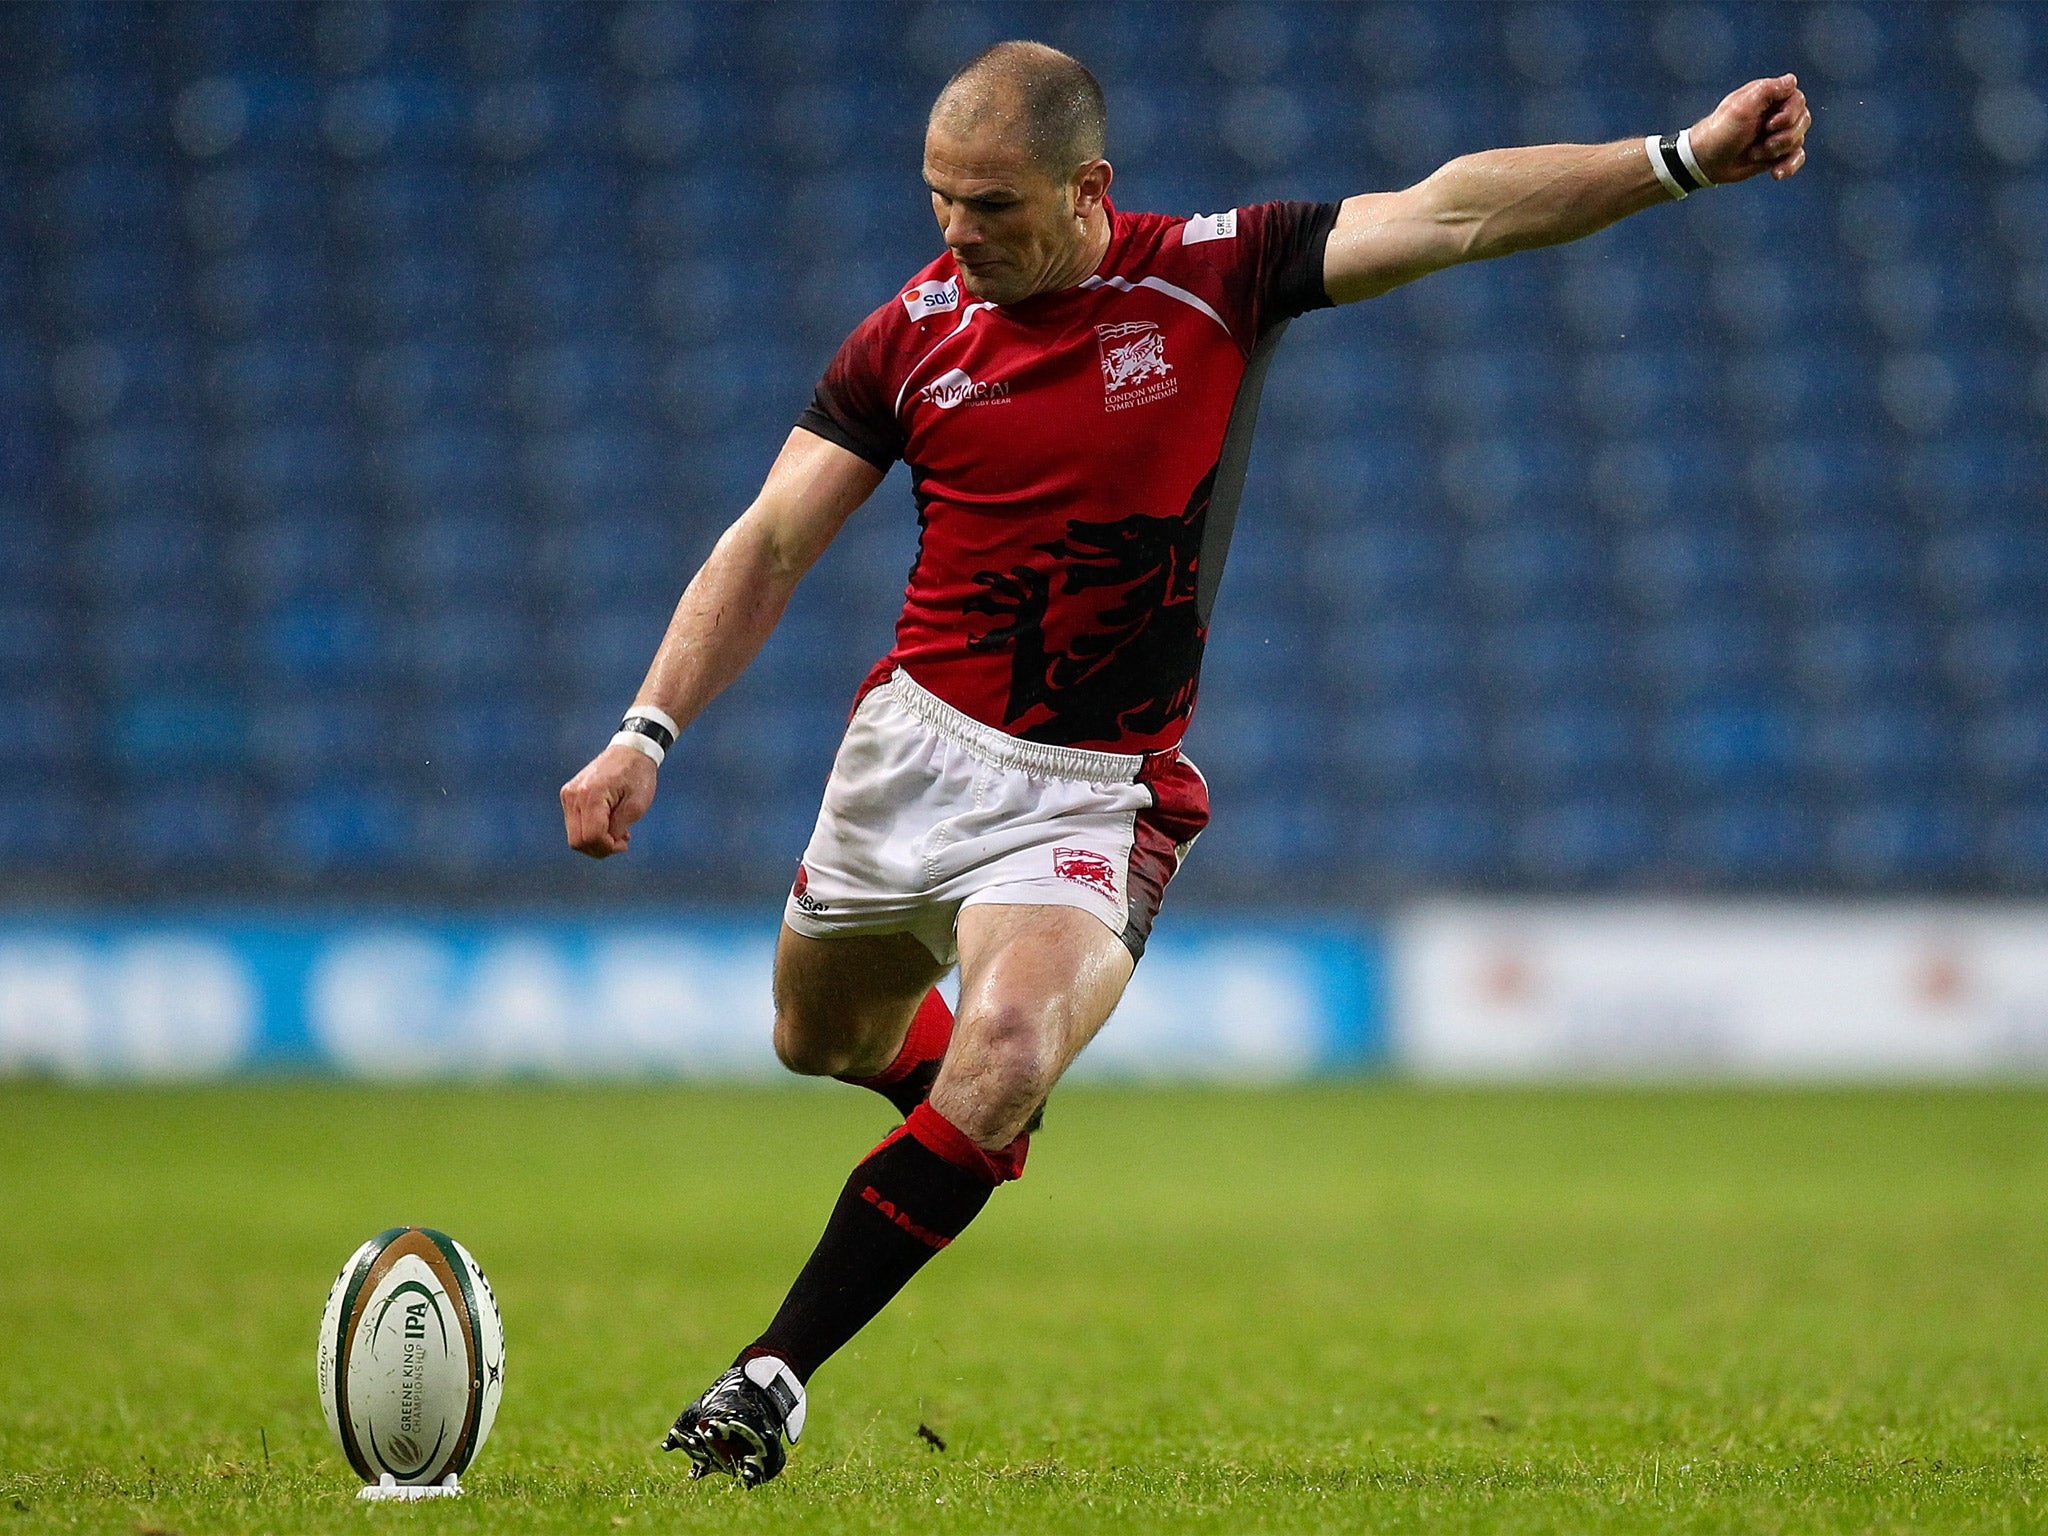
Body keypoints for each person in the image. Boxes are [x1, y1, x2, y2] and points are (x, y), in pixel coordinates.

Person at [559, 40, 1810, 1488]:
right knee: (817, 1039)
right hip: (912, 751)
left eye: (993, 206)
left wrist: (1679, 160)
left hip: (1092, 789)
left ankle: (765, 1380)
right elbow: (770, 540)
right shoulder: (904, 339)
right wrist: (647, 729)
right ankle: (965, 1126)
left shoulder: (1215, 274)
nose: (957, 234)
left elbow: (1456, 207)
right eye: (939, 202)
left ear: (1089, 190)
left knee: (1009, 1049)